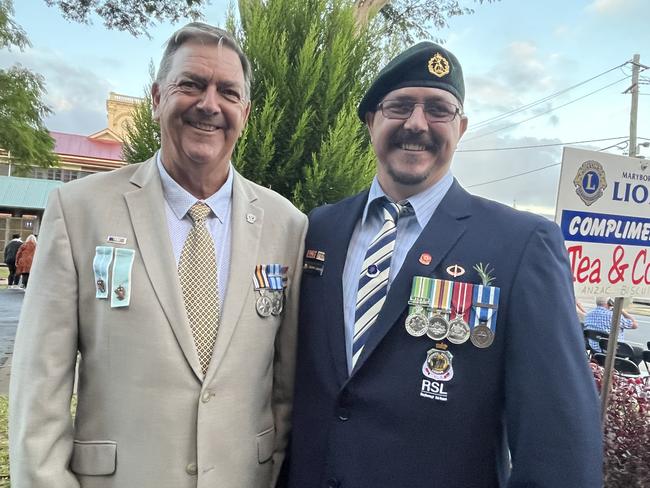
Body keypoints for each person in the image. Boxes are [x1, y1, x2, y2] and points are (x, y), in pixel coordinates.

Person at [287, 42, 602, 487]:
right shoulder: (319, 229)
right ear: (371, 121)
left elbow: (559, 443)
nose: (416, 124)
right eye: (399, 106)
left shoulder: (521, 245)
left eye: (438, 109)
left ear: (462, 127)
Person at [10, 23, 307, 488]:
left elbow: (286, 391)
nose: (209, 104)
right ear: (156, 98)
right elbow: (39, 391)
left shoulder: (286, 225)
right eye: (190, 84)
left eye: (227, 92)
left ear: (245, 112)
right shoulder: (79, 210)